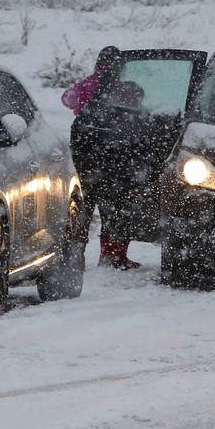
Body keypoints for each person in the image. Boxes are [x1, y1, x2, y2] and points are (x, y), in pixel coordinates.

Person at [63, 47, 143, 270]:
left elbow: (67, 98)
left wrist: (82, 105)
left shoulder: (88, 84)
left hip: (85, 157)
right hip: (114, 159)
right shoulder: (125, 88)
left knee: (81, 210)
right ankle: (112, 256)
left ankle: (74, 256)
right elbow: (137, 106)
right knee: (115, 212)